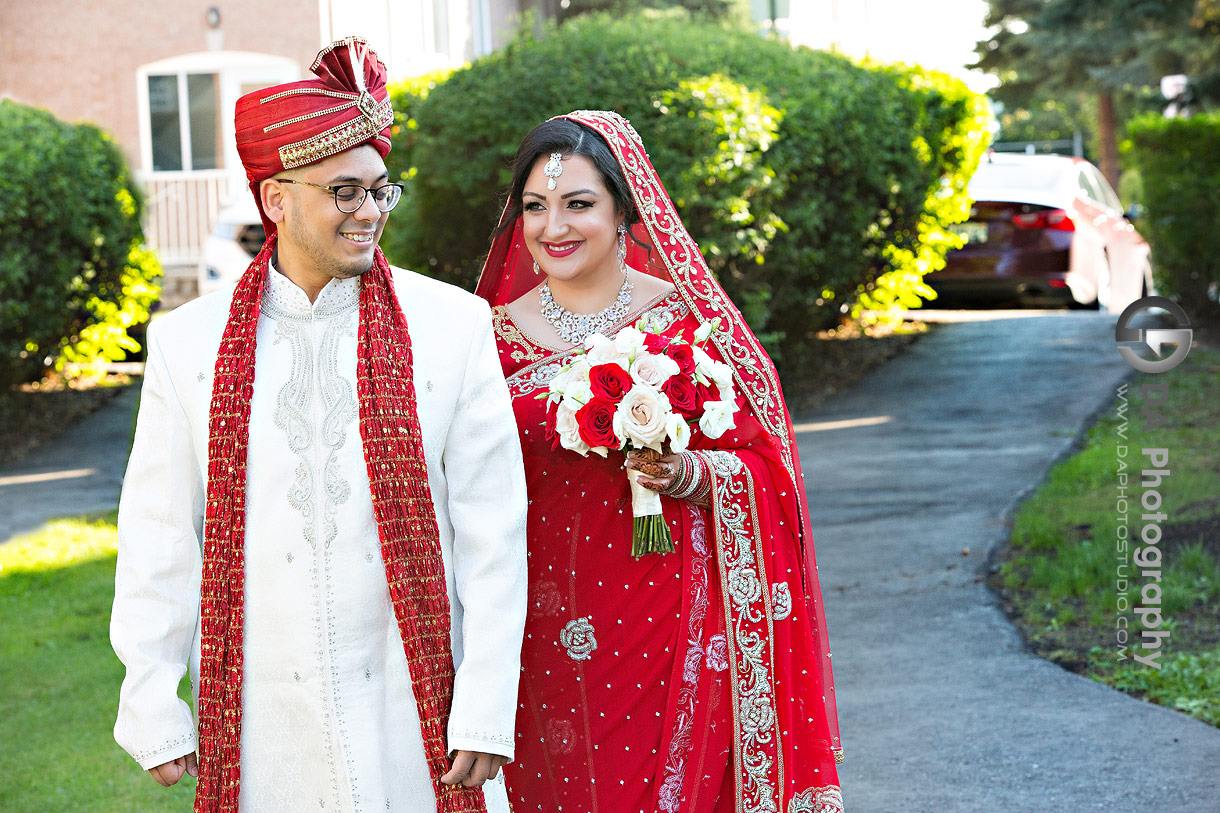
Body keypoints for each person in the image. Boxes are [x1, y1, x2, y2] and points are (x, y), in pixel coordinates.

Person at [110, 38, 527, 813]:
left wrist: (486, 699)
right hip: (269, 725)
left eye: (379, 190)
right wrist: (151, 696)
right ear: (276, 198)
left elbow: (493, 533)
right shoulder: (188, 344)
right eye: (344, 192)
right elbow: (161, 532)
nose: (370, 212)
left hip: (419, 714)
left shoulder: (453, 325)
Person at [475, 110, 843, 812]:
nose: (553, 226)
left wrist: (694, 474)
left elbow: (771, 474)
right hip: (537, 635)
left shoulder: (690, 324)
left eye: (578, 203)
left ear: (625, 211)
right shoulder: (485, 339)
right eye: (534, 206)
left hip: (674, 623)